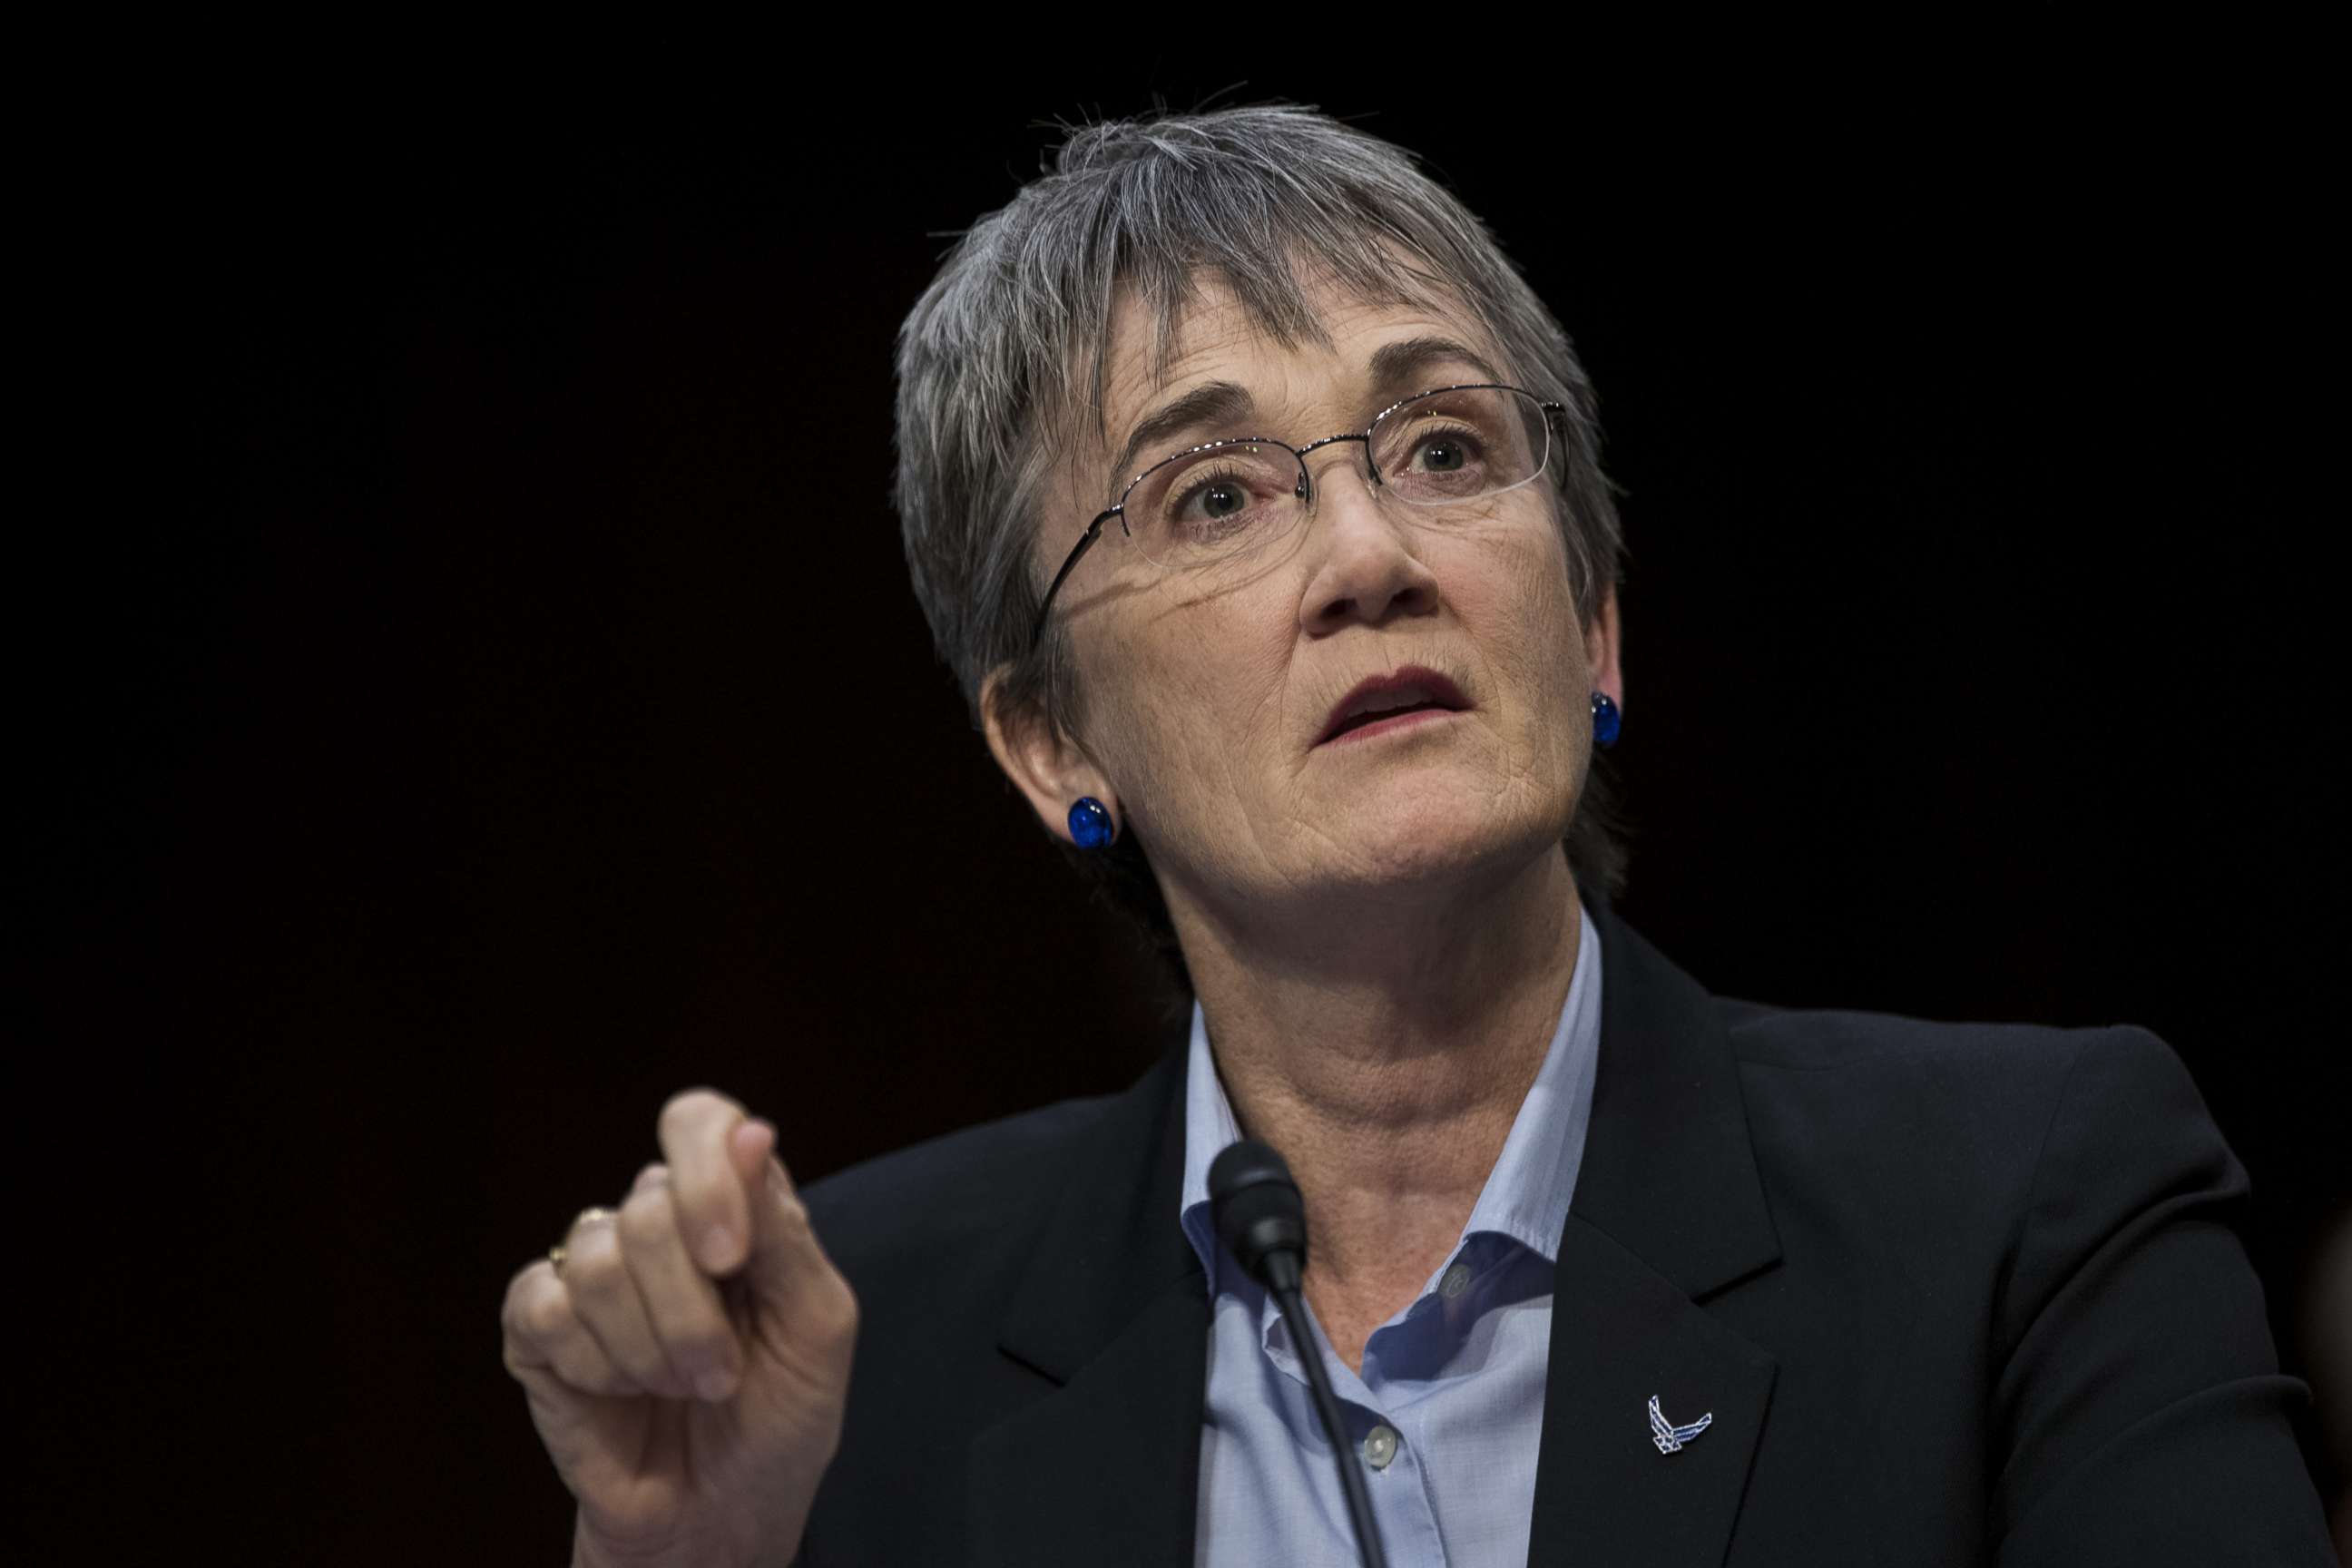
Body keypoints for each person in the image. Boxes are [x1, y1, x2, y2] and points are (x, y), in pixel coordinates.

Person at [500, 103, 2335, 1565]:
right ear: (1051, 734)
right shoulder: (855, 1357)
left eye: (1445, 449)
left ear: (1594, 623)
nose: (1372, 557)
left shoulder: (2028, 1209)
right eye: (1213, 496)